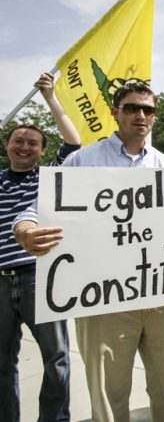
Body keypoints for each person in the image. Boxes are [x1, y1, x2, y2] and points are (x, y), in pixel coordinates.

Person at [13, 80, 164, 422]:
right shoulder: (82, 161)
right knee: (109, 395)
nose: (140, 115)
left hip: (163, 299)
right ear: (114, 112)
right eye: (132, 107)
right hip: (103, 301)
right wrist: (26, 231)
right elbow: (33, 212)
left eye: (148, 110)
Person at [0, 72, 81, 422]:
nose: (24, 146)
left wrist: (50, 97)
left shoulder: (47, 177)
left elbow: (74, 142)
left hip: (39, 277)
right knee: (3, 363)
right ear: (7, 145)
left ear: (42, 151)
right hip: (0, 281)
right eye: (18, 140)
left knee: (56, 356)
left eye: (33, 143)